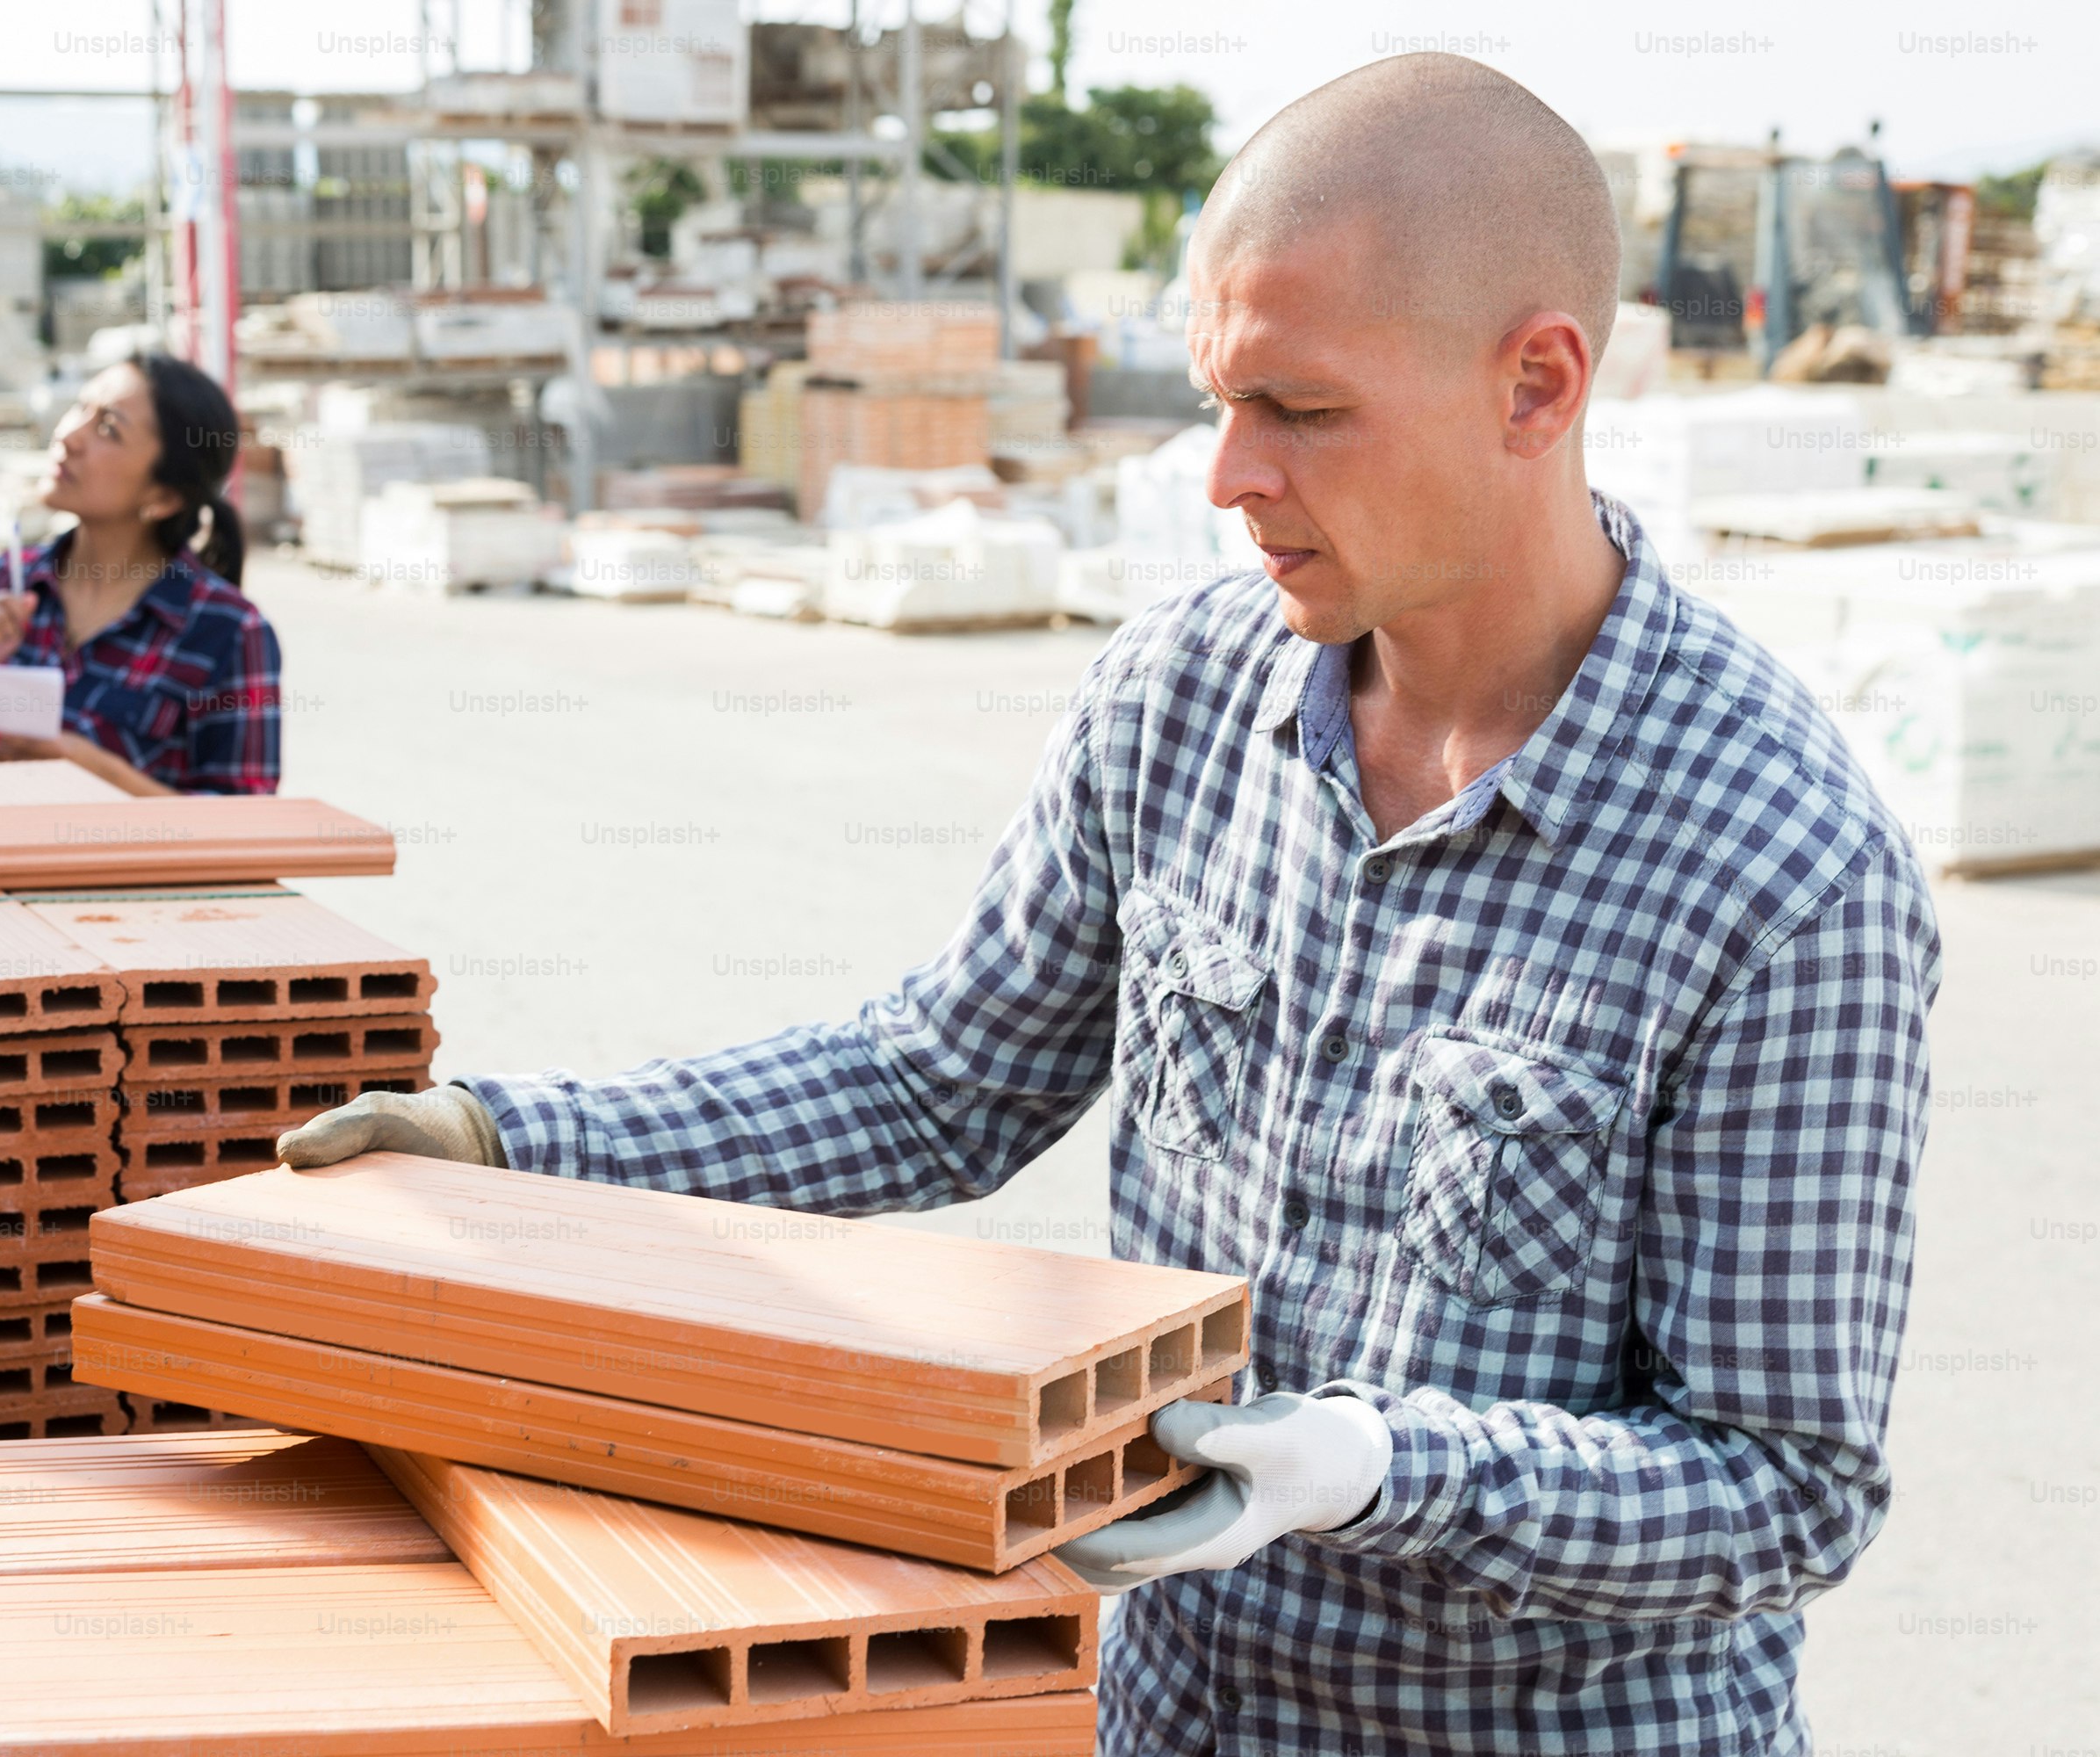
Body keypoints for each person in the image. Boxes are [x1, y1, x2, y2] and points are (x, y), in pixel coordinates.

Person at [278, 54, 1938, 1757]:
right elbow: (938, 1079)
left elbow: (1781, 1487)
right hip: (1177, 1711)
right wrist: (508, 1143)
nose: (1227, 475)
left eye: (1299, 410)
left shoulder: (1784, 867)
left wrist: (1375, 1468)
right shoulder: (1180, 701)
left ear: (1535, 384)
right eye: (1219, 399)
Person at [0, 351, 280, 795]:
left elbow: (247, 847)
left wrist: (102, 775)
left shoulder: (229, 634)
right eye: (80, 408)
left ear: (163, 498)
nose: (68, 436)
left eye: (107, 428)